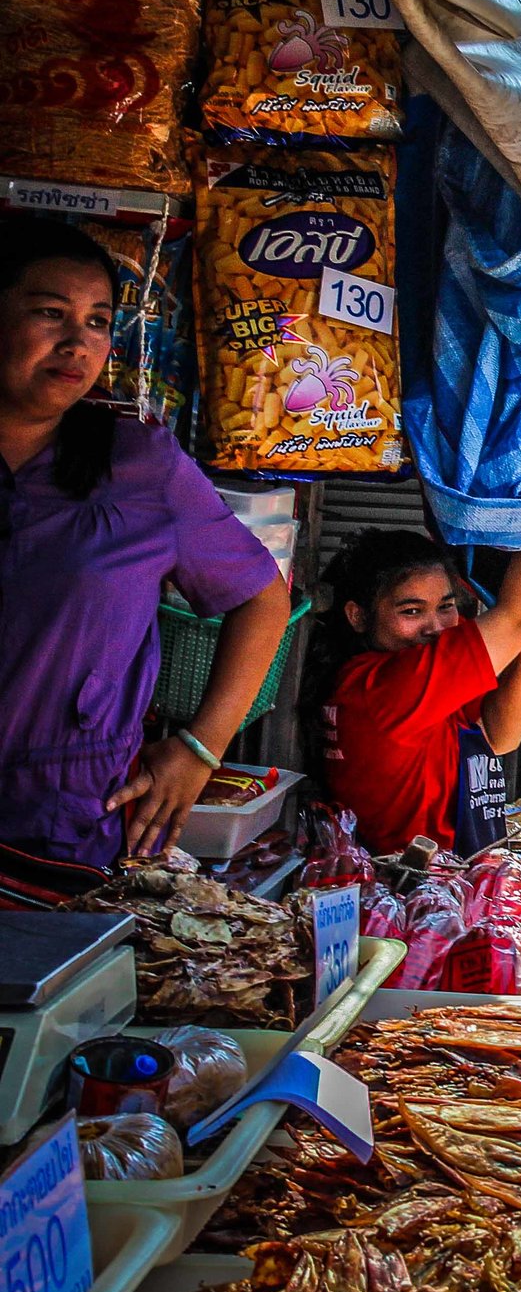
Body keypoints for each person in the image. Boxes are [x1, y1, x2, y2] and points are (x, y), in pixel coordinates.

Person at [0, 218, 294, 867]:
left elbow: (263, 599)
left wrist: (200, 747)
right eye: (51, 313)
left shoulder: (139, 464)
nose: (78, 342)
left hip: (66, 826)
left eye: (99, 321)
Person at [315, 525, 521, 855]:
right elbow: (519, 616)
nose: (435, 628)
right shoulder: (386, 687)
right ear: (358, 616)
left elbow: (499, 737)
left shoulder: (407, 677)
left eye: (446, 606)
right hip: (410, 888)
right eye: (411, 611)